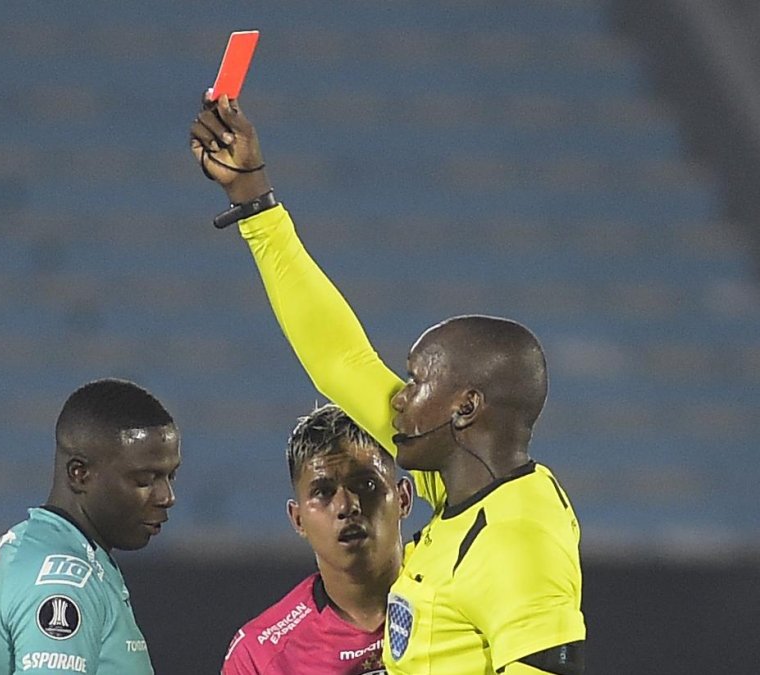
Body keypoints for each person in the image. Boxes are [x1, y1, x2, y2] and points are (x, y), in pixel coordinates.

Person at [190, 95, 586, 675]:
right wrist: (254, 201)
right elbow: (340, 360)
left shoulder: (517, 539)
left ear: (466, 408)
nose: (399, 396)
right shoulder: (455, 487)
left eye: (419, 382)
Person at [0, 378, 180, 674]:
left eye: (170, 476)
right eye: (144, 480)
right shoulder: (62, 581)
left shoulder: (42, 547)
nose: (167, 497)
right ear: (79, 474)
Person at [222, 403, 411, 675]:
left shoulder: (460, 593)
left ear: (403, 498)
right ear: (298, 520)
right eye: (323, 492)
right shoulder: (259, 656)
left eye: (366, 484)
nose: (347, 506)